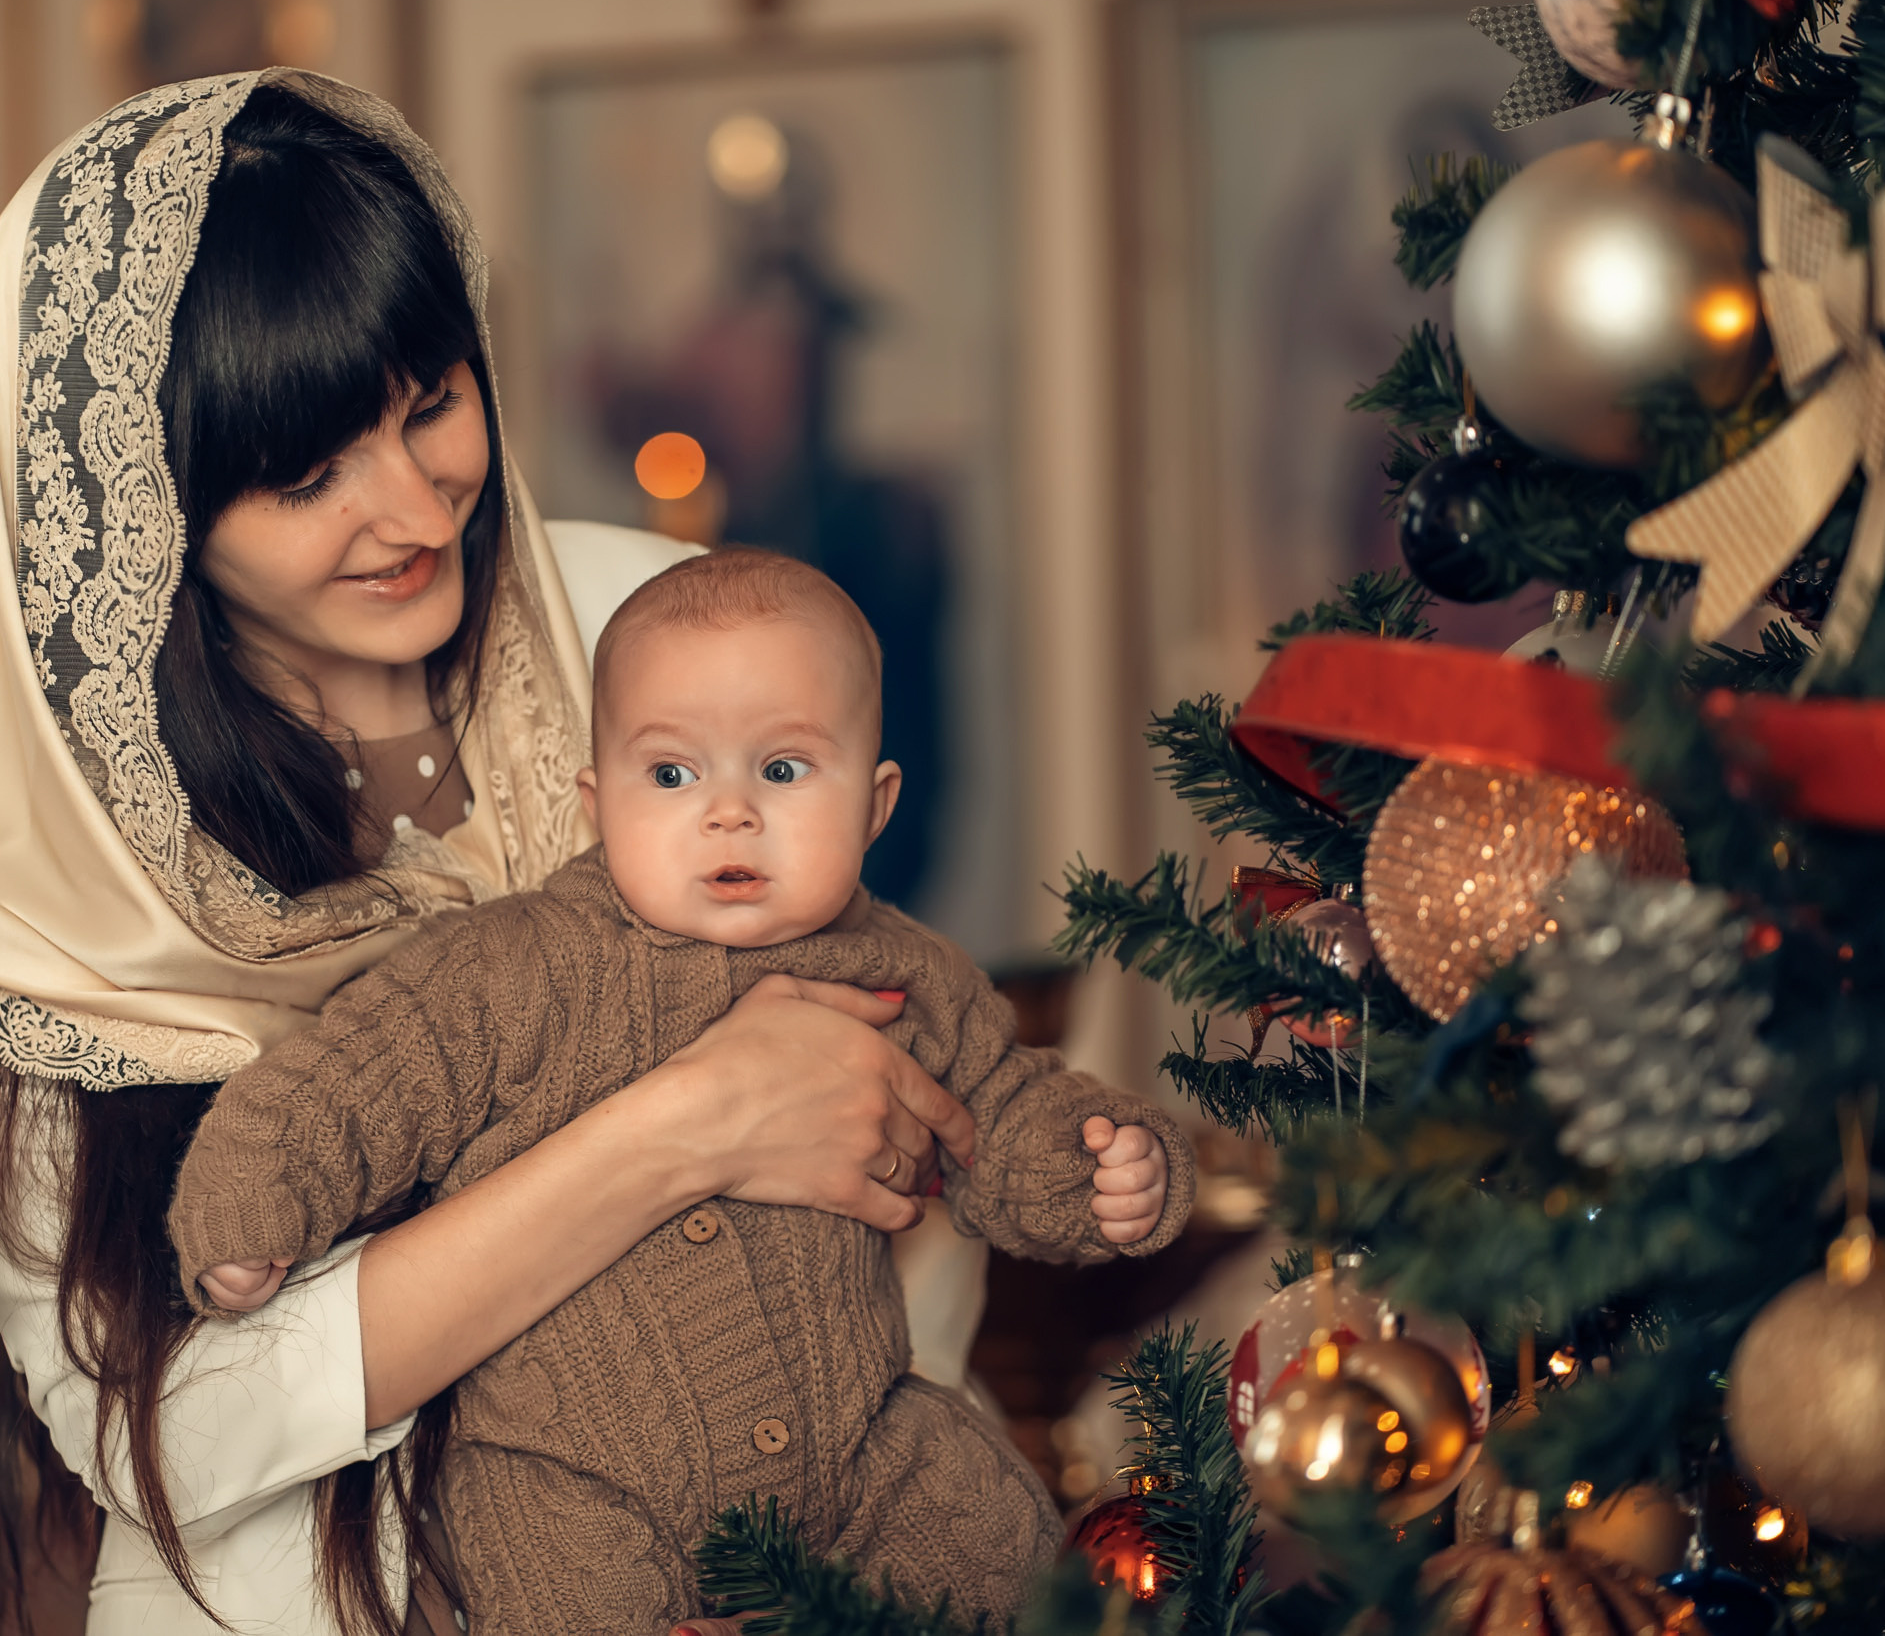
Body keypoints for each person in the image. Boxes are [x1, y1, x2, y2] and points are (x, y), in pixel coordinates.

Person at [0, 73, 985, 1636]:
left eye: (429, 407)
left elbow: (894, 1142)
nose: (414, 508)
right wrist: (681, 1129)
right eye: (304, 472)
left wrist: (819, 1547)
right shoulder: (16, 869)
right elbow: (176, 1431)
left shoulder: (651, 633)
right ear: (147, 508)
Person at [170, 550, 1195, 1633]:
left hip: (855, 1448)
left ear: (876, 802)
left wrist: (1099, 1167)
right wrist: (253, 1196)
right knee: (559, 1588)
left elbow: (1001, 1105)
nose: (729, 815)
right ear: (596, 800)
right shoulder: (515, 965)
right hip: (571, 1467)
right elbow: (358, 1075)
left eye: (785, 771)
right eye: (670, 776)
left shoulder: (908, 971)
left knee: (993, 1535)